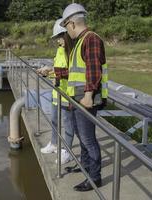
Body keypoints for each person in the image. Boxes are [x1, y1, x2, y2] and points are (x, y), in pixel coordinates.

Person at [60, 3, 108, 192]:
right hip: (77, 98)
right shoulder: (81, 41)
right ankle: (86, 169)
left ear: (71, 23)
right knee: (82, 137)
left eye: (66, 28)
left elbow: (93, 69)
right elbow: (75, 73)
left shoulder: (91, 39)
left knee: (88, 139)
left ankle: (95, 178)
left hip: (85, 99)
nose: (66, 32)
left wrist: (88, 96)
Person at [37, 18, 76, 165]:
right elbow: (58, 69)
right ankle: (54, 143)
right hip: (57, 91)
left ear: (66, 34)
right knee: (54, 119)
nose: (58, 41)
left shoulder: (72, 51)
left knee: (68, 123)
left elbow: (70, 72)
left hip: (68, 93)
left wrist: (51, 71)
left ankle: (67, 151)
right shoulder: (60, 51)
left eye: (59, 38)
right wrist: (48, 71)